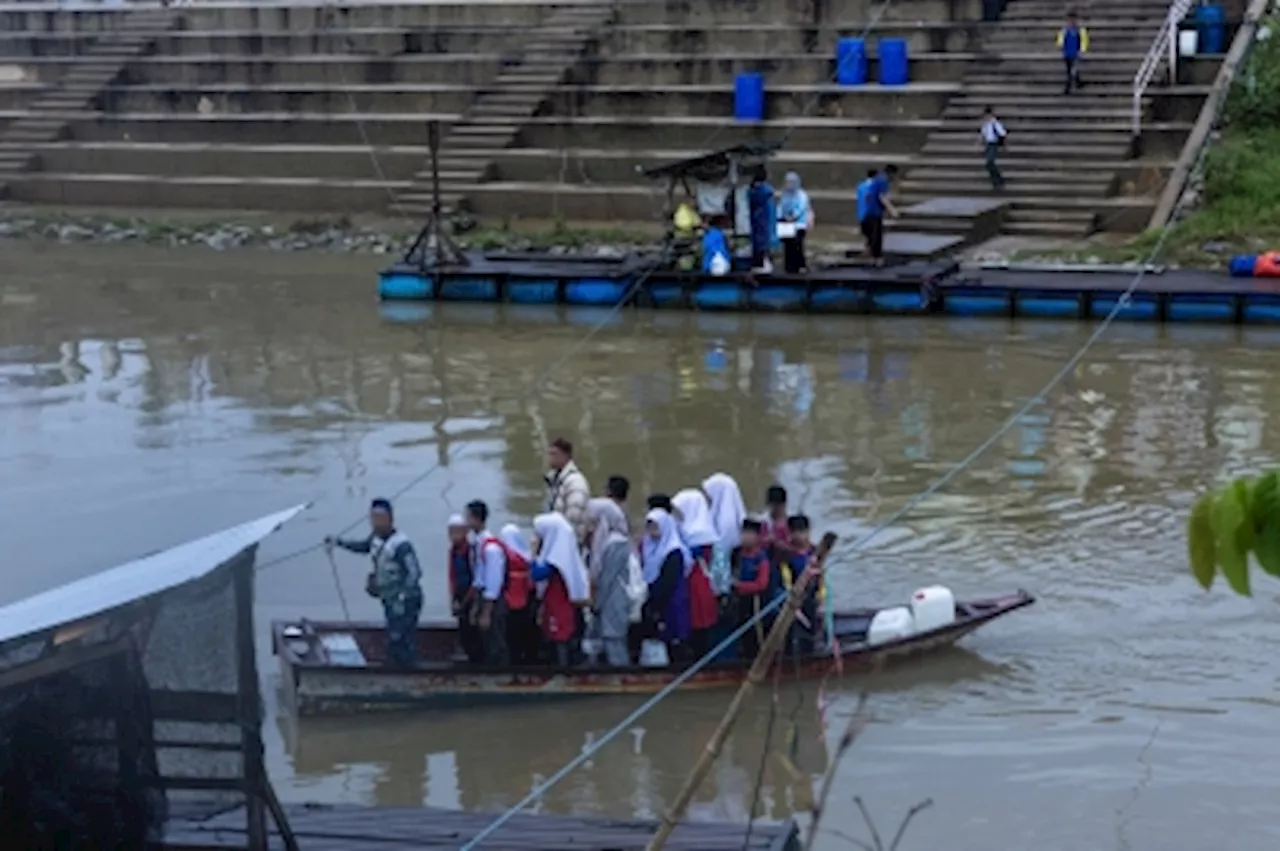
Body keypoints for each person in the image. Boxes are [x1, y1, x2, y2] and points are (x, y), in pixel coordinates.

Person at [325, 498, 423, 668]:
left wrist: (402, 596)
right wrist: (339, 542)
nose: (376, 523)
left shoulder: (401, 545)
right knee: (394, 634)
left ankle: (408, 672)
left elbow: (414, 573)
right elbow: (363, 547)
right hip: (389, 599)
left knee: (400, 638)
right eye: (373, 518)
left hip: (406, 601)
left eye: (380, 518)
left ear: (390, 518)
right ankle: (396, 667)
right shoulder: (375, 539)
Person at [530, 513, 591, 667]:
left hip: (560, 606)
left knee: (560, 638)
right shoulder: (565, 554)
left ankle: (562, 671)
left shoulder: (558, 558)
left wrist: (532, 554)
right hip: (556, 604)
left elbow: (538, 574)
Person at [585, 497, 633, 667]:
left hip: (614, 599)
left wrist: (596, 603)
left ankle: (624, 683)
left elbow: (607, 578)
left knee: (614, 642)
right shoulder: (603, 541)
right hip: (606, 600)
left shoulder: (616, 543)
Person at [672, 488, 720, 659]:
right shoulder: (702, 530)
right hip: (696, 584)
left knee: (697, 625)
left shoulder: (696, 534)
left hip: (696, 585)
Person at [640, 508, 691, 657]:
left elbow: (668, 583)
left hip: (671, 602)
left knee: (673, 639)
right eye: (649, 527)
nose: (652, 531)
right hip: (655, 601)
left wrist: (655, 604)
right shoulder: (650, 548)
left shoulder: (673, 551)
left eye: (655, 526)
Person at [466, 499, 512, 666]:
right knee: (485, 639)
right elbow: (479, 577)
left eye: (468, 517)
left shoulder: (491, 548)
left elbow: (493, 583)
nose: (466, 521)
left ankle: (501, 676)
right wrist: (475, 607)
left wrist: (486, 612)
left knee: (495, 640)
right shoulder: (479, 543)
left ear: (476, 519)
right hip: (483, 598)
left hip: (493, 601)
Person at [778, 514, 826, 658]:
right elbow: (785, 580)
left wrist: (821, 596)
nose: (799, 536)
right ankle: (789, 658)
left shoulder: (815, 552)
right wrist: (791, 600)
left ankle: (810, 655)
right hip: (793, 601)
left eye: (803, 532)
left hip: (811, 598)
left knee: (811, 631)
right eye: (795, 532)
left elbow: (822, 576)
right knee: (791, 633)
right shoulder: (787, 555)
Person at [731, 518, 777, 658]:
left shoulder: (761, 558)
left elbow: (762, 584)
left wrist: (740, 586)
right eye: (744, 533)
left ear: (757, 537)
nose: (746, 537)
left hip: (756, 604)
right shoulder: (736, 554)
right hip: (739, 603)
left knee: (755, 634)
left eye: (750, 533)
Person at [500, 523, 539, 664]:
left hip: (512, 600)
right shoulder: (527, 556)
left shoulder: (508, 556)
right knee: (528, 631)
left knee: (513, 633)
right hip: (528, 598)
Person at [447, 513, 483, 664]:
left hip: (471, 596)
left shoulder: (471, 551)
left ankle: (477, 663)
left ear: (465, 532)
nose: (454, 536)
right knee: (463, 631)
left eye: (457, 532)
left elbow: (477, 578)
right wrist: (453, 598)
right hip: (459, 595)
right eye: (451, 532)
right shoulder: (453, 551)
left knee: (473, 632)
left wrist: (469, 601)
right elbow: (451, 575)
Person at [545, 437, 591, 540]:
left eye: (554, 454)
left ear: (565, 456)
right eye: (549, 454)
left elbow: (574, 516)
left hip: (567, 541)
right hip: (555, 537)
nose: (550, 458)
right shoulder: (555, 480)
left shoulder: (575, 482)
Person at [856, 167, 899, 268]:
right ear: (891, 174)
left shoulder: (865, 184)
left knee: (871, 237)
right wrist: (892, 210)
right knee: (877, 237)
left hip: (863, 214)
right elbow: (882, 197)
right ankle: (877, 259)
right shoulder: (882, 182)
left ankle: (870, 256)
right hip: (873, 213)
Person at [777, 171, 814, 274]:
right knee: (788, 245)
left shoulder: (802, 195)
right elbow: (780, 206)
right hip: (786, 224)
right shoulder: (785, 194)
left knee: (798, 245)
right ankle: (789, 266)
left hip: (799, 224)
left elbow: (801, 207)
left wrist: (793, 216)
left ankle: (800, 265)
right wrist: (780, 217)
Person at [748, 167, 777, 274]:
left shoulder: (752, 192)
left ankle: (760, 263)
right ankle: (764, 263)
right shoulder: (768, 192)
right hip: (766, 222)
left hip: (758, 223)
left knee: (759, 242)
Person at [1057, 11, 1089, 94]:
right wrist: (1060, 47)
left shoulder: (1080, 30)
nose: (1071, 21)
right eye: (1070, 19)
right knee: (1070, 68)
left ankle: (1067, 86)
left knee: (1072, 70)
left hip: (1075, 53)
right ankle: (1078, 82)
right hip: (1067, 53)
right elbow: (1060, 39)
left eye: (1073, 19)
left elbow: (1084, 40)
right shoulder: (1064, 30)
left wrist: (1082, 50)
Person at [981, 106, 1007, 191]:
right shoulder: (985, 124)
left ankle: (999, 179)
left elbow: (1002, 134)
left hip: (994, 143)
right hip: (988, 144)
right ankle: (995, 180)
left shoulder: (995, 123)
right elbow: (984, 134)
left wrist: (1003, 144)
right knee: (988, 164)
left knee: (990, 162)